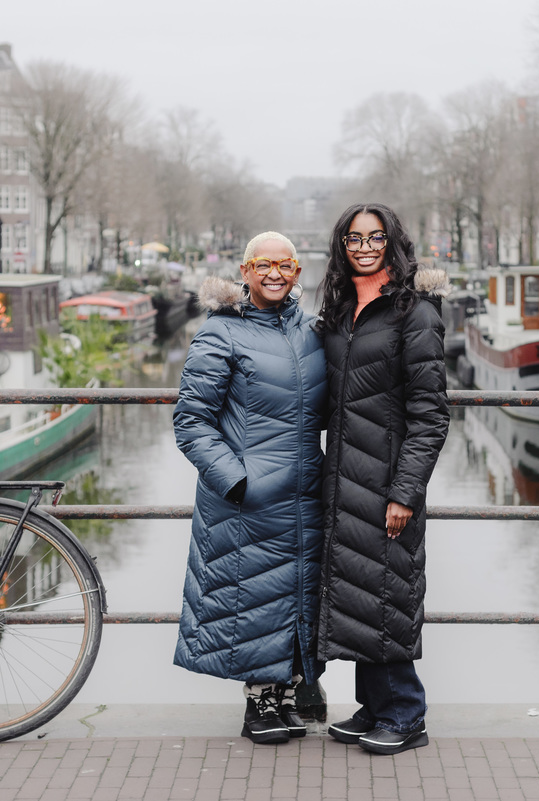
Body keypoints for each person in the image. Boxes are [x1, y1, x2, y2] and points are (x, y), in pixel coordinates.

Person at [172, 231, 326, 746]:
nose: (276, 274)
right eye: (264, 264)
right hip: (249, 498)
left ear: (299, 272)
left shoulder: (310, 331)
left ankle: (286, 694)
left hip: (305, 493)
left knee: (295, 593)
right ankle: (258, 702)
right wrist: (236, 482)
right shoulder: (221, 332)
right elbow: (192, 421)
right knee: (252, 596)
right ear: (245, 271)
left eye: (286, 265)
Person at [316, 203, 450, 756]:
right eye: (354, 238)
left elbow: (431, 414)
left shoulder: (413, 312)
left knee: (389, 591)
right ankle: (374, 706)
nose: (364, 246)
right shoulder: (343, 307)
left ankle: (406, 714)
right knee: (358, 593)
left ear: (392, 242)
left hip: (388, 481)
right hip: (343, 477)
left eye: (375, 237)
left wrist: (405, 491)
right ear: (342, 246)